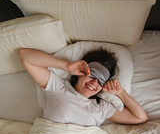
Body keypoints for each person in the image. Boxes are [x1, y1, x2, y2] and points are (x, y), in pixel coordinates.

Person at [19, 48, 149, 126]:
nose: (94, 83)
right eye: (92, 75)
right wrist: (67, 66)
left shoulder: (102, 107)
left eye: (100, 81)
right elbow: (25, 55)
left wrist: (121, 93)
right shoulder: (58, 87)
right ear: (81, 73)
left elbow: (141, 118)